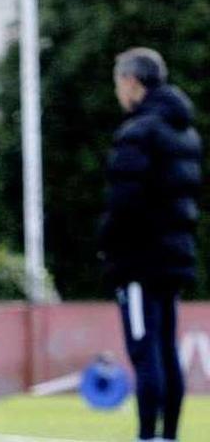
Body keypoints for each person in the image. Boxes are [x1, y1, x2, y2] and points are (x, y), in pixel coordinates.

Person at [99, 47, 202, 442]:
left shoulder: (138, 132)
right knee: (166, 350)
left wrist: (109, 249)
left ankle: (147, 435)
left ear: (131, 81)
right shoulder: (185, 130)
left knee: (145, 354)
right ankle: (169, 435)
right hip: (175, 256)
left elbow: (124, 202)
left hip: (139, 261)